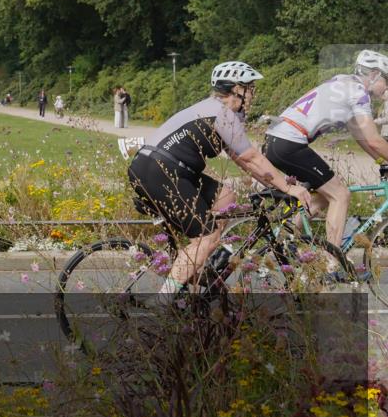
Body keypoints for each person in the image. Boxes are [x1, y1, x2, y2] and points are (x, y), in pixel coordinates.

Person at [128, 61, 311, 300]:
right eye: (249, 88)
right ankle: (162, 303)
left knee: (226, 197)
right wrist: (288, 187)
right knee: (206, 236)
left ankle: (199, 264)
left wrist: (274, 185)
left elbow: (242, 159)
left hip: (165, 167)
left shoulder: (215, 110)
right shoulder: (222, 113)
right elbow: (251, 157)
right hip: (160, 169)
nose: (252, 94)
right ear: (235, 89)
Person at [263, 49, 388, 251]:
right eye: (387, 80)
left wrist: (381, 162)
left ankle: (285, 243)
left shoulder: (343, 82)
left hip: (278, 140)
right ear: (374, 75)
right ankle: (332, 262)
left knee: (323, 195)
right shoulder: (358, 93)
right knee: (340, 194)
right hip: (289, 143)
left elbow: (362, 138)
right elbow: (374, 140)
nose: (386, 88)